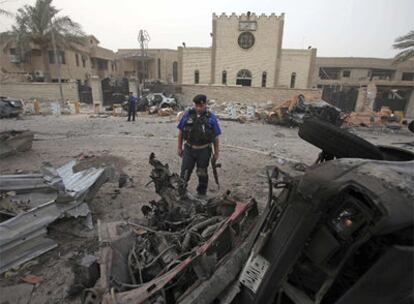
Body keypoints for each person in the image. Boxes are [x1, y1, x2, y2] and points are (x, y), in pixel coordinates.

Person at [177, 94, 221, 196]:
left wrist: (216, 153)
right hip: (189, 149)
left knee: (202, 173)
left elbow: (216, 137)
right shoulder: (187, 115)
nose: (198, 108)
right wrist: (179, 147)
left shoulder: (211, 118)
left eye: (201, 106)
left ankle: (201, 194)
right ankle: (181, 192)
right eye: (196, 106)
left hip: (204, 150)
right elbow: (180, 132)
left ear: (205, 104)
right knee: (185, 172)